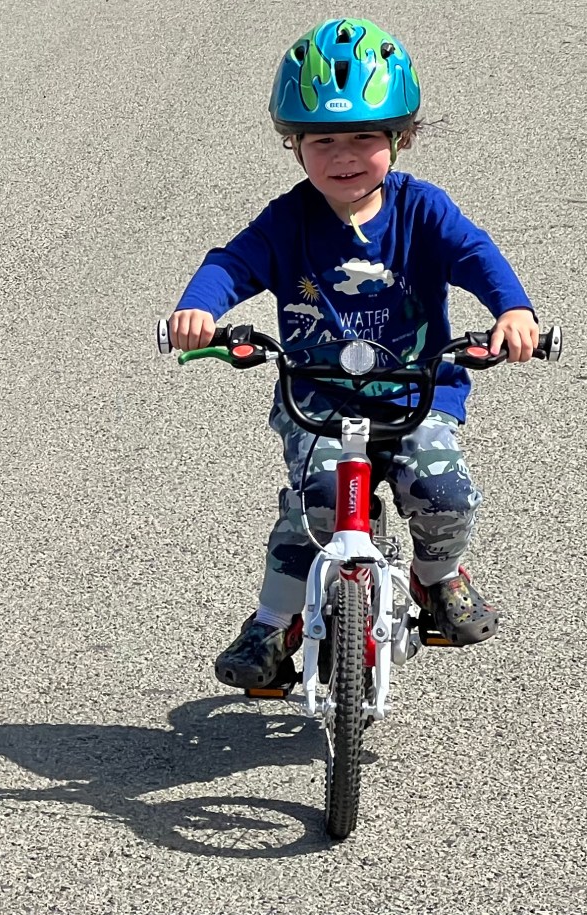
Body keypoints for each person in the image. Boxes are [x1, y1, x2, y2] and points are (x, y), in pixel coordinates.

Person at [169, 18, 540, 690]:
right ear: (294, 144)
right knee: (314, 505)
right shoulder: (288, 221)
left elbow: (475, 254)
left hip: (414, 391)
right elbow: (232, 262)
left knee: (442, 488)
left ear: (400, 138)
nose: (344, 156)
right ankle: (274, 623)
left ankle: (437, 578)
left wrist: (513, 311)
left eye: (365, 137)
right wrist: (200, 309)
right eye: (323, 140)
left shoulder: (422, 210)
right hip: (318, 399)